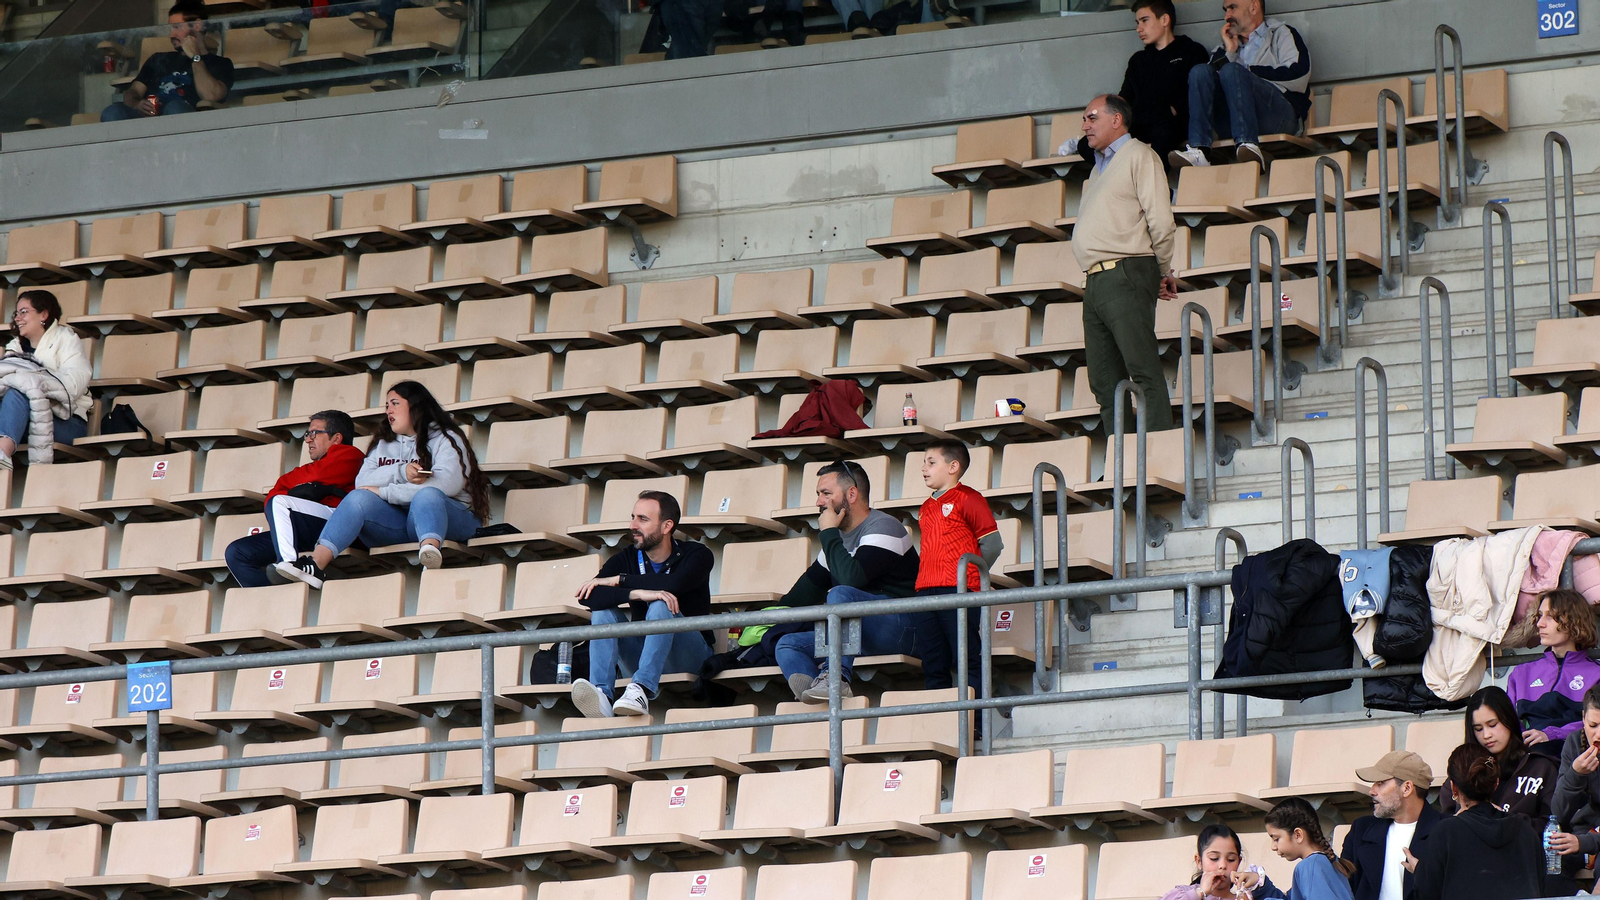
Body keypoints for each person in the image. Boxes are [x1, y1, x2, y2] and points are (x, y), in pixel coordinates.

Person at [276, 381, 489, 589]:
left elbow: (447, 485)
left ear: (416, 406)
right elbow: (362, 482)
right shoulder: (384, 443)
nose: (389, 411)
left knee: (428, 496)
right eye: (387, 406)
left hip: (451, 520)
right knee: (358, 498)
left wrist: (385, 492)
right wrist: (401, 471)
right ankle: (315, 565)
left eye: (395, 403)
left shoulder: (446, 438)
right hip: (402, 523)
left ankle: (430, 557)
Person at [1071, 93, 1178, 437]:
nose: (1085, 126)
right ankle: (1123, 458)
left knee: (1142, 369)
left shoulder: (1139, 155)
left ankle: (1159, 453)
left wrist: (1162, 270)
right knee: (1104, 383)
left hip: (1125, 271)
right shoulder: (1097, 168)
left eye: (1092, 118)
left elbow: (1161, 220)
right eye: (1084, 119)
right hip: (1095, 280)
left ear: (1116, 120)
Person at [772, 460, 920, 702]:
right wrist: (764, 620)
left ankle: (835, 678)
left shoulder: (884, 526)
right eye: (818, 494)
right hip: (860, 634)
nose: (819, 502)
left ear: (851, 494)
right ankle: (817, 699)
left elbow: (852, 580)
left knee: (840, 594)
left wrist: (828, 533)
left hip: (906, 629)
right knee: (788, 644)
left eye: (826, 493)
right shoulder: (837, 541)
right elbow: (800, 597)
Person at [569, 491, 715, 718]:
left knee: (660, 603)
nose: (633, 525)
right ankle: (603, 695)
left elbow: (676, 583)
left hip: (690, 656)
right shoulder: (626, 557)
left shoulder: (697, 554)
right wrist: (636, 594)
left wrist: (622, 581)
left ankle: (641, 689)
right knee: (603, 611)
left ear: (667, 526)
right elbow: (588, 596)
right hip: (641, 655)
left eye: (643, 519)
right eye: (633, 517)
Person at [224, 411, 364, 588]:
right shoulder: (317, 465)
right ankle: (270, 599)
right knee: (238, 552)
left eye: (314, 433)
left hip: (338, 525)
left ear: (336, 438)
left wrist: (287, 486)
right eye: (307, 434)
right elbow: (275, 493)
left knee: (280, 502)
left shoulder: (350, 455)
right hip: (309, 528)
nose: (308, 440)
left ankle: (290, 565)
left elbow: (310, 477)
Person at [1061, 0, 1209, 163]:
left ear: (1164, 20)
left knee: (1162, 135)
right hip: (1138, 123)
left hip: (1172, 123)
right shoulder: (1138, 60)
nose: (1139, 28)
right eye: (1137, 22)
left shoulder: (1191, 51)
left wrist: (1171, 110)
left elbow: (1197, 95)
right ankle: (1120, 174)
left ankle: (1152, 178)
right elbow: (1124, 99)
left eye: (1144, 20)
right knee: (1086, 145)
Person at [1169, 0, 1310, 169]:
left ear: (1254, 6)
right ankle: (1200, 151)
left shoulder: (1281, 34)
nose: (1226, 16)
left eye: (1232, 8)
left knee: (1232, 71)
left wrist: (1246, 71)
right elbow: (1206, 86)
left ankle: (1247, 142)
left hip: (1279, 118)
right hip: (1232, 123)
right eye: (1225, 10)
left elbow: (1299, 75)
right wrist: (1230, 53)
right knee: (1199, 71)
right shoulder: (1224, 49)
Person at [909, 439, 1003, 692]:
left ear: (953, 467)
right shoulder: (925, 507)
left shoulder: (969, 498)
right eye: (924, 463)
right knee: (932, 663)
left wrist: (974, 576)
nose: (924, 468)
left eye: (931, 462)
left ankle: (976, 716)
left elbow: (992, 544)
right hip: (925, 591)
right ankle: (942, 715)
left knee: (966, 658)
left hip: (958, 589)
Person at [1412, 743, 1546, 900]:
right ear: (1496, 784)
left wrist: (1420, 871)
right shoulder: (1525, 829)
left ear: (1453, 788)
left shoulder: (1446, 832)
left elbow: (1426, 893)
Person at [0, 291, 90, 469]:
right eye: (16, 313)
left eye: (24, 312)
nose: (17, 318)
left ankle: (2, 453)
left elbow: (74, 385)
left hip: (66, 422)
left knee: (19, 392)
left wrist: (35, 385)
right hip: (24, 421)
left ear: (44, 314)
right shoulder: (14, 347)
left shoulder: (66, 339)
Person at [101, 0, 233, 121]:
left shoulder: (220, 63)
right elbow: (133, 91)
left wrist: (195, 57)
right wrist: (136, 104)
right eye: (171, 28)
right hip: (148, 120)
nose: (171, 34)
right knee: (112, 112)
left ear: (197, 26)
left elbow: (211, 96)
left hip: (187, 121)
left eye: (177, 27)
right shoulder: (158, 59)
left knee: (175, 107)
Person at [1341, 750, 1441, 900]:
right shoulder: (1360, 830)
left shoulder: (1446, 831)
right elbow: (1342, 889)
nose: (1372, 791)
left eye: (1380, 783)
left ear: (1407, 788)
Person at [1507, 588, 1600, 747]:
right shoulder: (1521, 673)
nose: (1540, 624)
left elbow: (1596, 724)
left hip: (1578, 752)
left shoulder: (1596, 674)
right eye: (1540, 615)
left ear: (1574, 621)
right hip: (1530, 754)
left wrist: (1553, 734)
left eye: (1550, 617)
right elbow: (1507, 720)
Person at [1263, 797, 1356, 900]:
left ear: (1298, 835)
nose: (1273, 847)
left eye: (1276, 839)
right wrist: (1260, 883)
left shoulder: (1310, 866)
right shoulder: (1329, 861)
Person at [1160, 824, 1286, 900]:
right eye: (1214, 858)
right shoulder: (1183, 894)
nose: (1223, 866)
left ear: (1239, 862)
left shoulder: (1245, 898)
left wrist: (1260, 883)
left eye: (1231, 859)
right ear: (1199, 861)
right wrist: (1201, 892)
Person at [1550, 685, 1600, 868]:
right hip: (1581, 832)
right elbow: (1558, 813)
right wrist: (1575, 774)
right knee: (1550, 864)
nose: (1598, 734)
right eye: (1593, 725)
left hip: (1588, 840)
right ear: (1583, 718)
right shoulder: (1574, 742)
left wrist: (1585, 842)